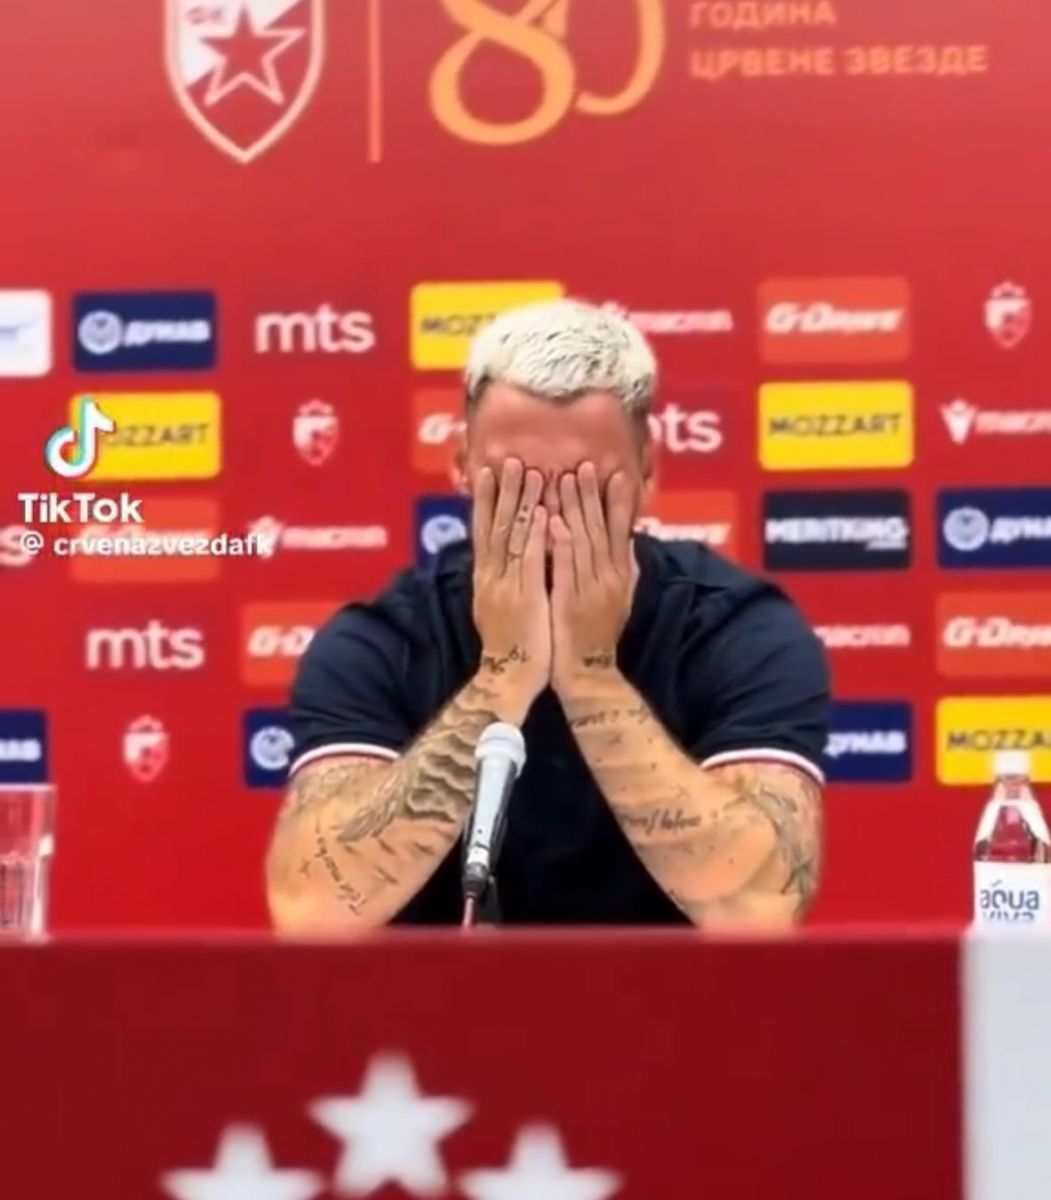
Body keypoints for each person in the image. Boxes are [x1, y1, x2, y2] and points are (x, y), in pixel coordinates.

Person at [266, 300, 830, 932]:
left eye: (586, 490)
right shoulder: (382, 642)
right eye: (517, 488)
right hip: (441, 996)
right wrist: (502, 676)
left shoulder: (737, 632)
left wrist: (591, 674)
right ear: (462, 467)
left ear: (647, 471)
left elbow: (759, 908)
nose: (552, 524)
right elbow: (312, 911)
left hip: (670, 997)